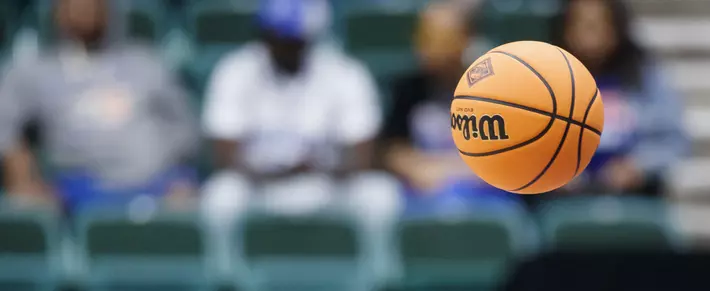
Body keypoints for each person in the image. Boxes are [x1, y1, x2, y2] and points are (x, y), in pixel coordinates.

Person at [201, 0, 397, 223]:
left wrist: (317, 167)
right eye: (272, 36)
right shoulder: (236, 70)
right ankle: (226, 260)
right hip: (260, 185)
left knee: (379, 194)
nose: (279, 45)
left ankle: (372, 260)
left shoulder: (345, 73)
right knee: (221, 195)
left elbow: (363, 157)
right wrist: (278, 171)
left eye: (289, 39)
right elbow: (224, 157)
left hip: (328, 185)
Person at [0, 0, 198, 212]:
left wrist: (179, 176)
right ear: (58, 13)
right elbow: (6, 129)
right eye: (75, 6)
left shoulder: (147, 63)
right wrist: (22, 180)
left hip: (155, 185)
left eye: (94, 5)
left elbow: (186, 129)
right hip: (74, 190)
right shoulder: (34, 71)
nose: (85, 11)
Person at [381, 2, 519, 215]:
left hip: (483, 190)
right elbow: (391, 148)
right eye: (423, 38)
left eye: (438, 39)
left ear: (465, 39)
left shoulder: (493, 89)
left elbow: (509, 155)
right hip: (422, 189)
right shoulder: (408, 89)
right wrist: (415, 166)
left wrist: (447, 170)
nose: (427, 48)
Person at [552, 0, 687, 198]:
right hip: (563, 196)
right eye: (581, 24)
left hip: (631, 194)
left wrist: (638, 165)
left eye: (598, 25)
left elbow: (673, 138)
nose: (590, 35)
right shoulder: (550, 77)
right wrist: (553, 172)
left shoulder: (643, 74)